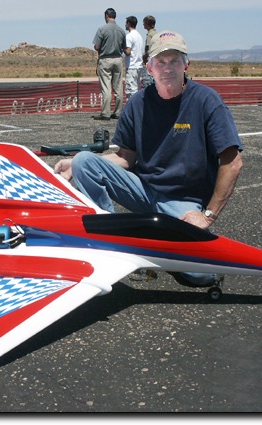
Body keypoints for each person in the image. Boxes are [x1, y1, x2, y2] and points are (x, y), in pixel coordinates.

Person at [54, 30, 244, 288]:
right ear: (149, 67)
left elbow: (232, 162)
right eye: (160, 62)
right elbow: (125, 157)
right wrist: (77, 164)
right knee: (85, 161)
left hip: (182, 201)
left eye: (174, 60)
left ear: (186, 64)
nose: (167, 68)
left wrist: (207, 216)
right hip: (144, 191)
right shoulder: (137, 104)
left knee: (199, 276)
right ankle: (108, 242)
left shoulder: (206, 101)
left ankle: (165, 245)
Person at [92, 8, 126, 120]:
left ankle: (106, 113)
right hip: (118, 59)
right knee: (118, 87)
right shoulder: (121, 30)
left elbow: (97, 46)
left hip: (105, 59)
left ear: (106, 16)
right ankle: (118, 112)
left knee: (106, 87)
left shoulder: (102, 29)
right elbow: (124, 47)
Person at [124, 16, 144, 99]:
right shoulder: (139, 36)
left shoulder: (129, 36)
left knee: (131, 91)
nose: (125, 25)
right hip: (138, 65)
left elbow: (128, 52)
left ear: (128, 24)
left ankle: (132, 109)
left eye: (126, 23)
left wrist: (122, 48)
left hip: (132, 66)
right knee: (136, 89)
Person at [141, 15, 156, 88]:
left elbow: (148, 50)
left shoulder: (150, 35)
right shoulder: (156, 34)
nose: (143, 24)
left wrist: (144, 57)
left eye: (144, 23)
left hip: (149, 62)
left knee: (147, 83)